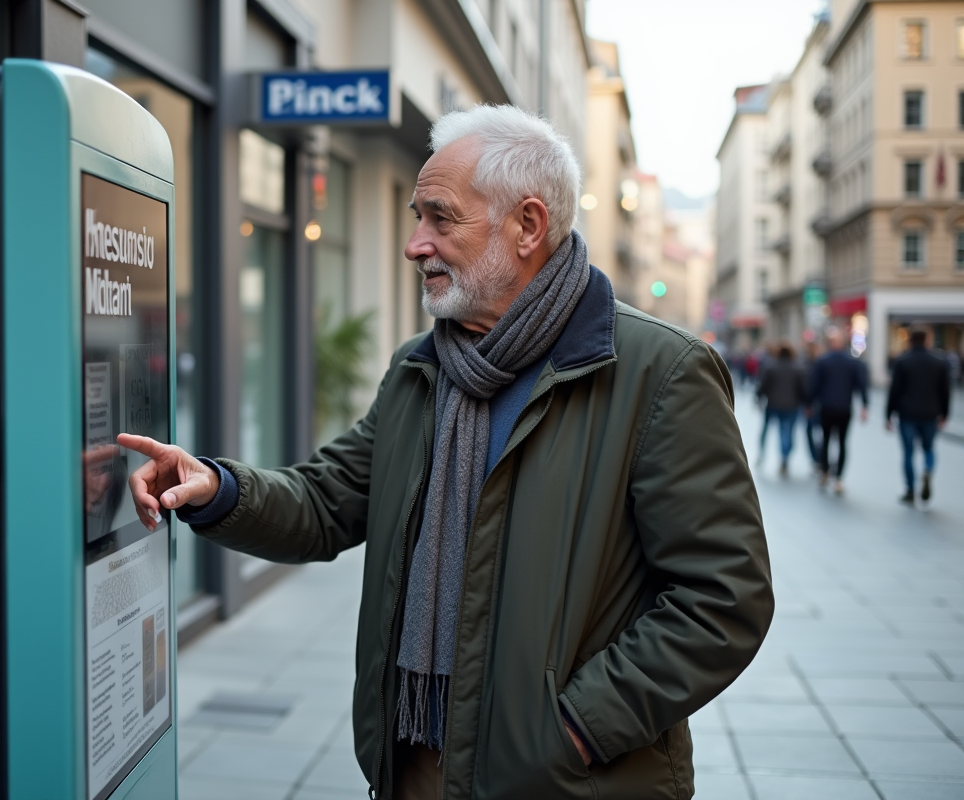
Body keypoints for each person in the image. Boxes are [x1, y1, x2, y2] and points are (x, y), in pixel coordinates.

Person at [120, 106, 773, 800]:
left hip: (568, 776)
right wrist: (216, 487)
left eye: (439, 217)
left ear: (527, 225)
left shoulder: (658, 372)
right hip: (417, 762)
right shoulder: (422, 368)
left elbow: (722, 599)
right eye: (415, 216)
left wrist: (577, 726)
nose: (414, 244)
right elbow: (327, 499)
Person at [885, 329, 950, 504]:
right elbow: (945, 391)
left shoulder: (902, 362)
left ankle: (910, 490)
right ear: (927, 340)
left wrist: (888, 414)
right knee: (928, 448)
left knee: (908, 452)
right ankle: (928, 469)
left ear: (910, 340)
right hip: (930, 413)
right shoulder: (939, 362)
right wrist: (945, 413)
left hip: (907, 414)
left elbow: (894, 391)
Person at [807, 327, 869, 495]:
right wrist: (864, 405)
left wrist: (809, 404)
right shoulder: (852, 362)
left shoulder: (822, 361)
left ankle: (826, 472)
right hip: (844, 408)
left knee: (826, 440)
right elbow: (861, 385)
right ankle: (839, 478)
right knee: (842, 442)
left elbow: (814, 386)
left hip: (826, 407)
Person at [756, 342, 805, 476]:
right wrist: (806, 403)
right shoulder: (797, 368)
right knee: (786, 431)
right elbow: (802, 388)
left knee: (765, 430)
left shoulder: (771, 367)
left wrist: (758, 398)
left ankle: (761, 454)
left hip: (773, 404)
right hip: (791, 405)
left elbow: (763, 385)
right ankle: (784, 458)